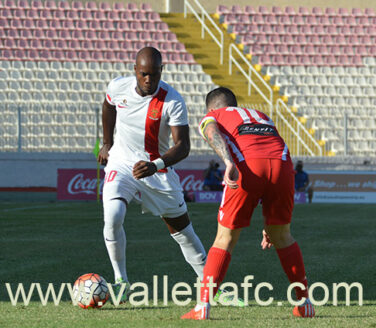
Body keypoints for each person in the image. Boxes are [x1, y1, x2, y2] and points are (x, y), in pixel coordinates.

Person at [182, 87, 315, 320]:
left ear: (212, 108)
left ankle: (203, 306)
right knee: (283, 235)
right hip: (282, 166)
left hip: (248, 166)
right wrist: (269, 221)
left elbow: (211, 129)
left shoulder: (214, 115)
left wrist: (227, 161)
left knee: (225, 238)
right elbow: (269, 152)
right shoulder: (262, 116)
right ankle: (305, 303)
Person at [97, 47, 207, 301]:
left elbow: (183, 146)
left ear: (161, 71)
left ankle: (211, 286)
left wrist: (156, 165)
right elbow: (108, 105)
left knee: (183, 231)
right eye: (144, 74)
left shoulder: (173, 100)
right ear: (135, 71)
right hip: (122, 164)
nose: (149, 80)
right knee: (113, 216)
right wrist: (106, 143)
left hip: (157, 171)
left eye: (155, 75)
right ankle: (121, 282)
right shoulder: (118, 87)